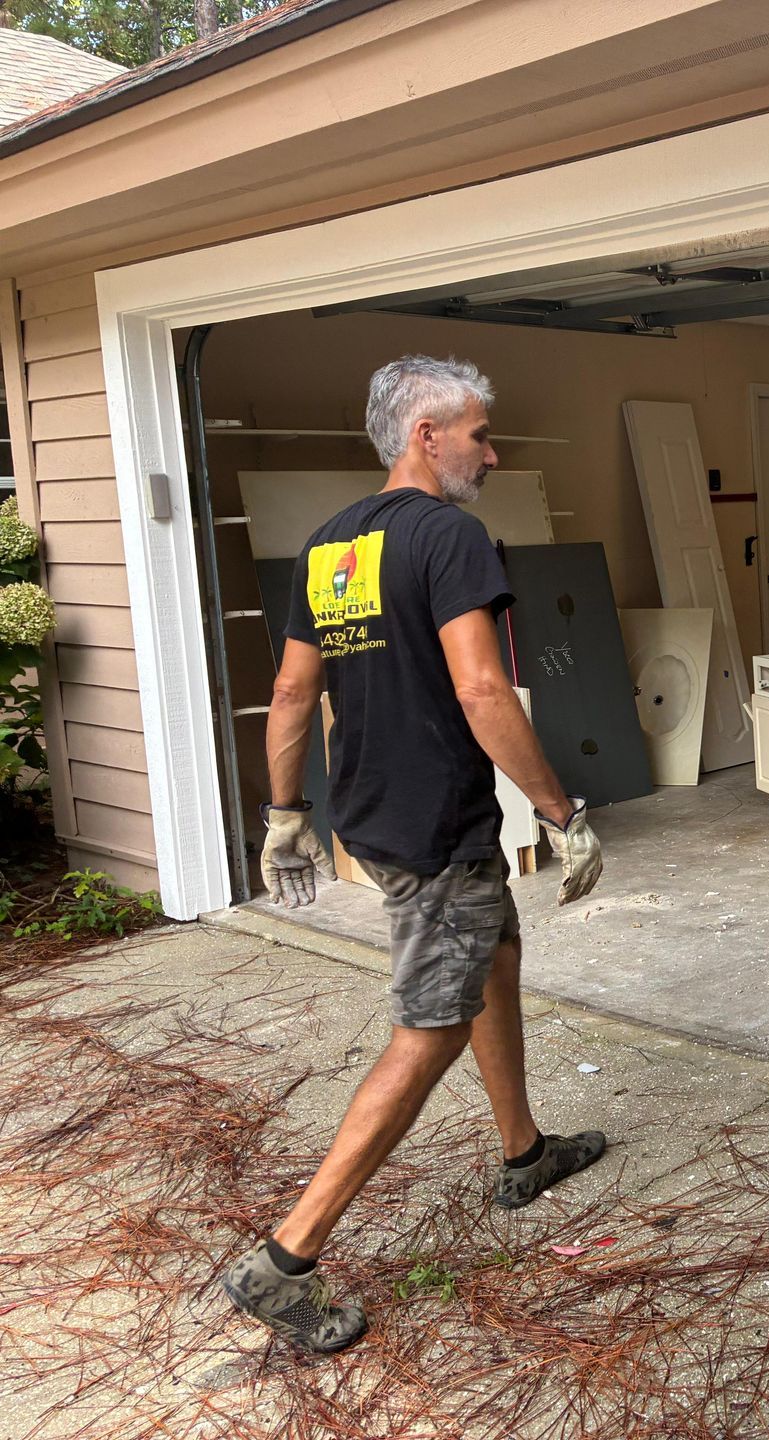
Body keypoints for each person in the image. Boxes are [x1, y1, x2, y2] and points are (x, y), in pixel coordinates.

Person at [221, 356, 608, 1355]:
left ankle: (523, 1151)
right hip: (436, 826)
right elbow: (485, 695)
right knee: (430, 1025)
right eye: (478, 431)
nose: (492, 449)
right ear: (424, 436)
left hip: (376, 815)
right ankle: (286, 1260)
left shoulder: (330, 544)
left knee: (498, 954)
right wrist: (561, 811)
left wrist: (285, 813)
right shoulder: (450, 536)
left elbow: (296, 693)